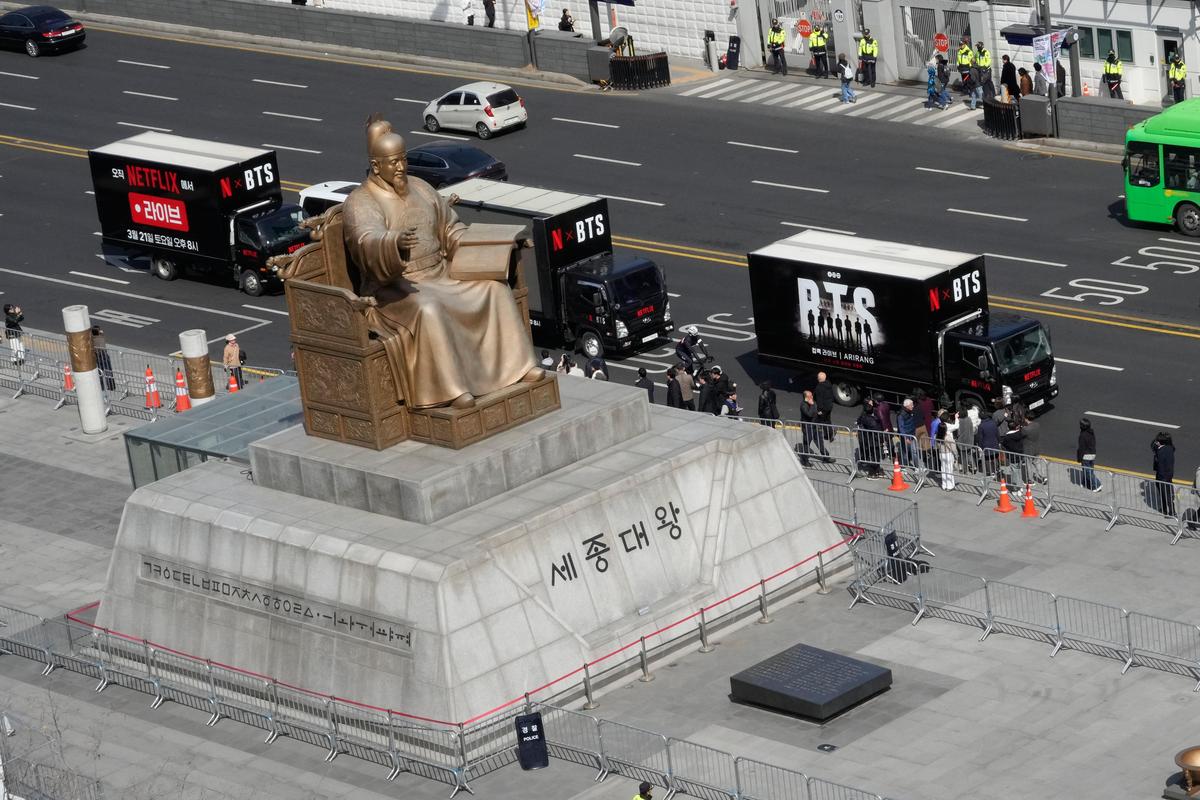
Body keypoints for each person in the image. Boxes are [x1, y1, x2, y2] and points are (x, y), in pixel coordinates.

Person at [342, 118, 539, 410]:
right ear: (376, 166)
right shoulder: (361, 201)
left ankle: (518, 368)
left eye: (403, 160)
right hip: (396, 287)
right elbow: (364, 239)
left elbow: (450, 229)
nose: (400, 168)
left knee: (493, 289)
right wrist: (393, 243)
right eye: (393, 163)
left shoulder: (421, 187)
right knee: (429, 309)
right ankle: (453, 390)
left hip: (441, 272)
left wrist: (497, 246)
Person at [798, 389, 831, 465]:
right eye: (810, 396)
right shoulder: (803, 405)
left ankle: (826, 457)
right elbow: (809, 414)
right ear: (806, 397)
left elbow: (816, 411)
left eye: (812, 395)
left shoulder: (813, 403)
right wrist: (812, 405)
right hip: (808, 427)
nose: (812, 396)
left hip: (816, 426)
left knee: (820, 442)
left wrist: (819, 413)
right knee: (807, 444)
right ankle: (805, 460)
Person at [855, 399, 885, 479]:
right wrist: (881, 438)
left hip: (872, 440)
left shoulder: (866, 417)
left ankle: (877, 470)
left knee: (876, 456)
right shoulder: (870, 420)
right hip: (873, 440)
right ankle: (872, 473)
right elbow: (876, 429)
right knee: (874, 456)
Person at [1152, 432, 1176, 517]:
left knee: (1165, 494)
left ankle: (1170, 511)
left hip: (1162, 476)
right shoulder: (1170, 448)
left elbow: (1160, 465)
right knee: (1167, 493)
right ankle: (1167, 510)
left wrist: (1161, 479)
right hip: (1168, 475)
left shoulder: (1160, 451)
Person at [1077, 417, 1101, 493]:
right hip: (1093, 454)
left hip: (1086, 456)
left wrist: (1079, 458)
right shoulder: (1091, 432)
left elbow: (1082, 448)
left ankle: (1097, 485)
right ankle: (1085, 483)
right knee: (1087, 470)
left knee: (1088, 472)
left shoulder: (1082, 436)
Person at [936, 410, 959, 490]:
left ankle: (944, 485)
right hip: (948, 454)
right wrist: (956, 455)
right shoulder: (948, 437)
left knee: (943, 469)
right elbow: (954, 448)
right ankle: (950, 485)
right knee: (949, 469)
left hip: (941, 453)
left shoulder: (938, 436)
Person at [92, 324, 116, 391]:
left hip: (98, 356)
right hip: (104, 355)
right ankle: (111, 386)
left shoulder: (92, 339)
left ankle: (102, 387)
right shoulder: (102, 337)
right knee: (108, 371)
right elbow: (102, 332)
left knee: (100, 372)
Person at [897, 398, 919, 467]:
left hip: (912, 435)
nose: (913, 406)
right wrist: (905, 438)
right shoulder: (901, 415)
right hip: (906, 436)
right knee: (905, 452)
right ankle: (904, 466)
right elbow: (901, 427)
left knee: (914, 451)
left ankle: (917, 466)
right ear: (907, 406)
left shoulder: (910, 411)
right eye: (911, 405)